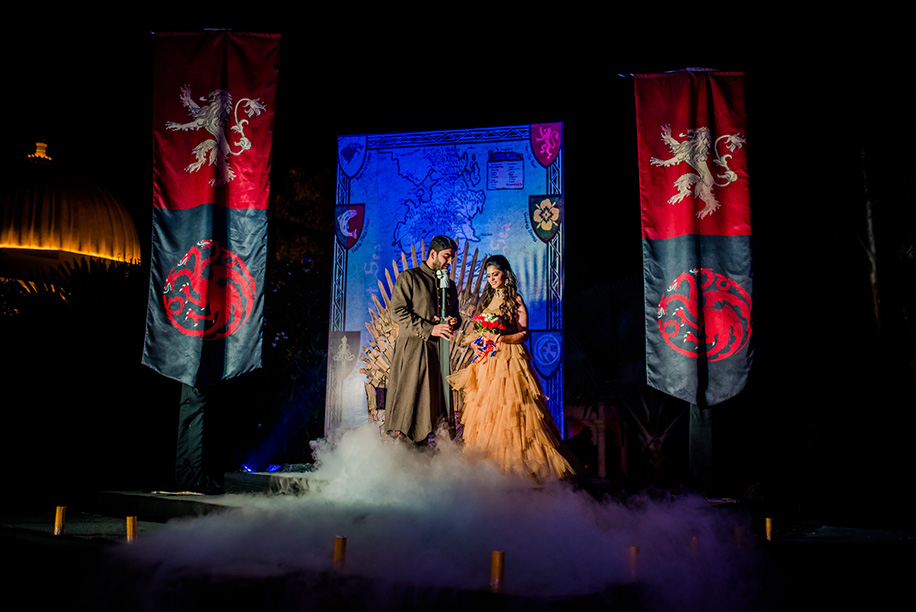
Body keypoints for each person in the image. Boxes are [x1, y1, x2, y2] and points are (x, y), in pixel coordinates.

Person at [449, 255, 579, 480]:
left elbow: (524, 334)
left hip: (510, 360)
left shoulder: (515, 300)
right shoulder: (487, 299)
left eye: (496, 275)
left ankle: (521, 470)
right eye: (489, 276)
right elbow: (481, 332)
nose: (492, 280)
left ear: (506, 274)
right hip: (488, 361)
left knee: (514, 411)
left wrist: (500, 338)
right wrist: (477, 343)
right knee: (488, 413)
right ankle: (490, 470)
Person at [383, 235, 461, 444]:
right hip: (414, 351)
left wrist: (453, 321)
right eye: (446, 257)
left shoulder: (449, 285)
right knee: (411, 403)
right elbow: (397, 311)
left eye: (452, 258)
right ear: (433, 254)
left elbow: (456, 315)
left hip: (438, 353)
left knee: (437, 406)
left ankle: (430, 454)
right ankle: (404, 453)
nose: (450, 262)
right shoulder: (409, 278)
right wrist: (429, 329)